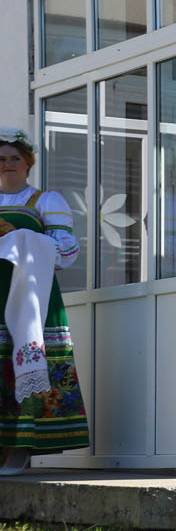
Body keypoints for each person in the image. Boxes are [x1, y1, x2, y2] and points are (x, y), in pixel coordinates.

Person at [0, 129, 88, 473]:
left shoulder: (45, 201)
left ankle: (23, 447)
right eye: (1, 159)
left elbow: (66, 252)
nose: (8, 164)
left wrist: (20, 236)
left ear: (27, 162)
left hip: (31, 295)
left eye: (14, 158)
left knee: (25, 363)